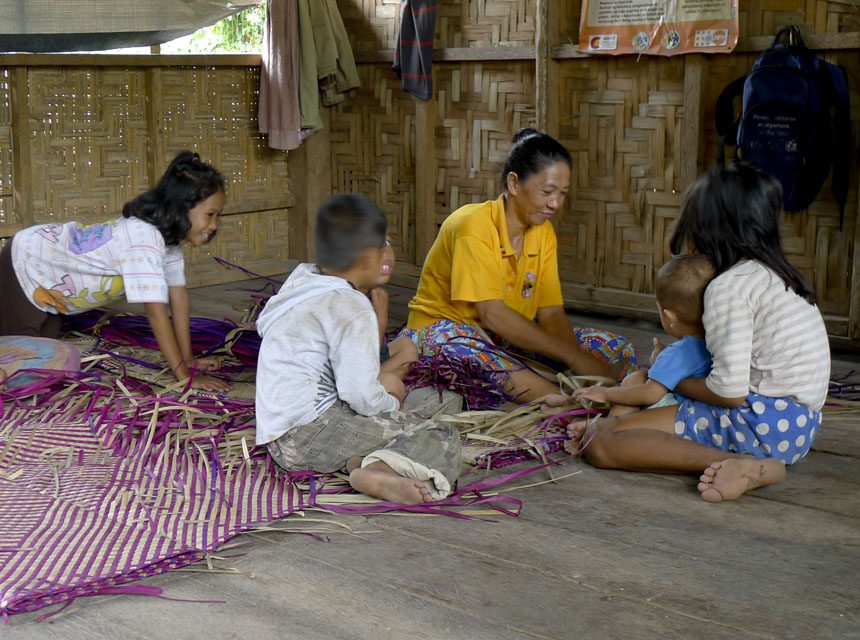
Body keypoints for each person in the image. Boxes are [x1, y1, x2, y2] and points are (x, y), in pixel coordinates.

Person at [566, 162, 830, 502]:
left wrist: (669, 378)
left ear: (709, 227)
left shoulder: (729, 288)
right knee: (642, 386)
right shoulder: (775, 276)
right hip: (796, 426)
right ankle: (743, 458)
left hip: (760, 424)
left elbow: (729, 393)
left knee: (601, 442)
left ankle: (744, 464)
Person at [403, 128, 638, 402]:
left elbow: (550, 314)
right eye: (547, 191)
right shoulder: (473, 227)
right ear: (514, 184)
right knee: (481, 357)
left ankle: (584, 395)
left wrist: (578, 364)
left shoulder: (543, 232)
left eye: (562, 193)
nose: (555, 203)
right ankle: (565, 403)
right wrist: (571, 356)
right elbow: (493, 315)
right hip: (445, 333)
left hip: (504, 337)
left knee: (616, 348)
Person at [255, 193, 461, 505]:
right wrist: (392, 405)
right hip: (315, 433)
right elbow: (360, 394)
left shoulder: (302, 282)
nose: (390, 251)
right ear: (369, 258)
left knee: (407, 406)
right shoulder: (350, 305)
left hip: (279, 440)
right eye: (386, 243)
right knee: (439, 433)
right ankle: (376, 469)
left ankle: (359, 461)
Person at [0, 151, 229, 392]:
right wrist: (184, 376)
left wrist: (189, 359)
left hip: (48, 286)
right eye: (210, 215)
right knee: (22, 368)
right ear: (182, 208)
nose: (214, 225)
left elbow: (179, 299)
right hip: (24, 265)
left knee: (49, 358)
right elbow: (156, 314)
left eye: (218, 216)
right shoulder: (142, 241)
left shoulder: (168, 242)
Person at [574, 255, 715, 414]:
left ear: (669, 316)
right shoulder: (718, 342)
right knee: (640, 378)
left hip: (683, 412)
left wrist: (606, 394)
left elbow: (651, 393)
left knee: (634, 380)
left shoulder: (679, 352)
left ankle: (608, 426)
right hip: (707, 408)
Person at [370, 236, 419, 382]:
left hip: (370, 354)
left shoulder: (370, 290)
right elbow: (363, 357)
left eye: (386, 242)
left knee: (406, 346)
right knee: (393, 384)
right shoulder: (347, 300)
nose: (384, 251)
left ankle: (375, 380)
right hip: (352, 366)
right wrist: (381, 318)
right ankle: (370, 385)